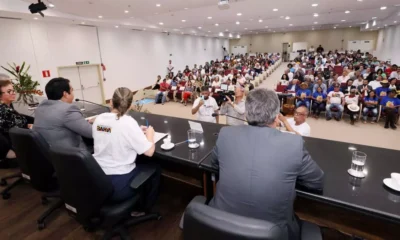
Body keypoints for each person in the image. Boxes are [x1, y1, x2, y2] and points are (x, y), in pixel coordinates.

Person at [209, 88, 324, 239]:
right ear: (277, 116)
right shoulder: (294, 143)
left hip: (221, 227)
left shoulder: (225, 134)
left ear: (248, 113)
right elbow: (317, 182)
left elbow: (214, 165)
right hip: (274, 233)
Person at [92, 87, 160, 209]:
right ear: (130, 106)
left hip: (97, 178)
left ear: (111, 102)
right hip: (119, 183)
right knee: (155, 168)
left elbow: (109, 130)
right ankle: (143, 209)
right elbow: (149, 152)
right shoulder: (128, 122)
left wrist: (135, 132)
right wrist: (150, 134)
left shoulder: (99, 119)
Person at [33, 77, 94, 150]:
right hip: (72, 156)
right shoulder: (68, 110)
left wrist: (86, 122)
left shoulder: (40, 108)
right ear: (65, 94)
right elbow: (92, 132)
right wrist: (107, 126)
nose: (73, 94)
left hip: (48, 155)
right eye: (72, 90)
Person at [0, 77, 32, 160]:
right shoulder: (3, 110)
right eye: (9, 91)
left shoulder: (8, 107)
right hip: (9, 149)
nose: (13, 93)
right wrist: (30, 126)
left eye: (13, 90)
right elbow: (16, 129)